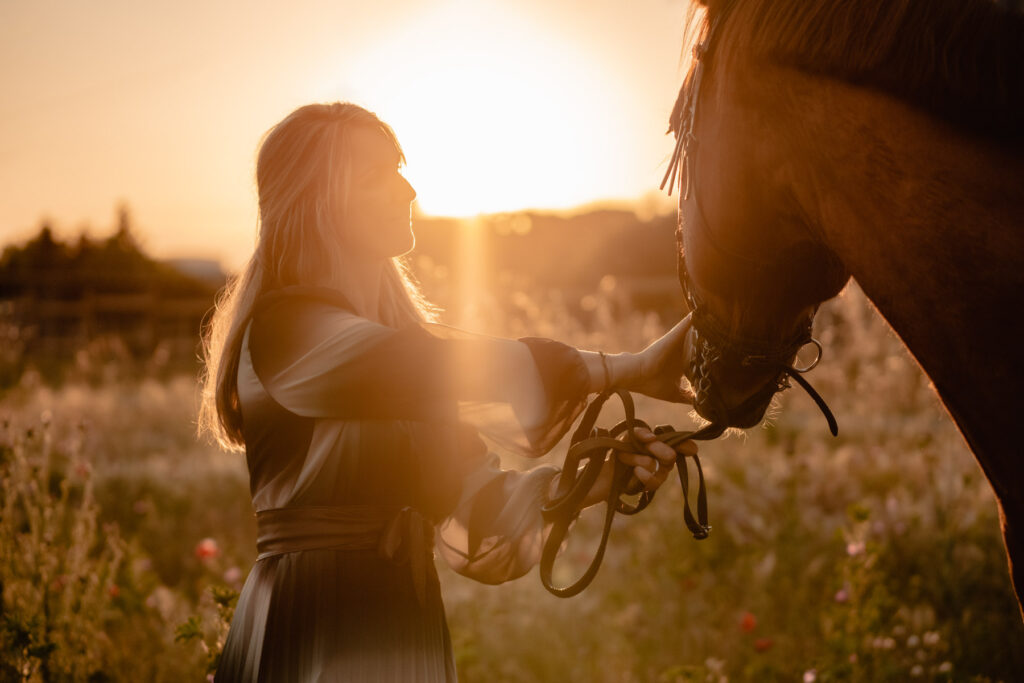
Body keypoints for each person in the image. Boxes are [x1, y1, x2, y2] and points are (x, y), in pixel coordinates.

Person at [199, 101, 698, 682]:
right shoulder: (290, 333)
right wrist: (628, 368)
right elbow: (448, 368)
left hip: (401, 628)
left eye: (400, 169)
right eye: (378, 175)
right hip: (313, 620)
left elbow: (473, 517)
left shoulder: (394, 360)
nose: (408, 190)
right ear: (322, 200)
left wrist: (592, 480)